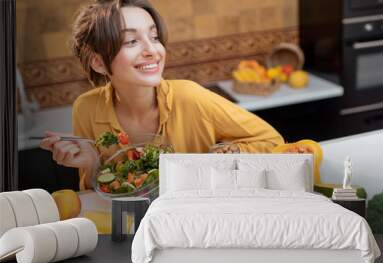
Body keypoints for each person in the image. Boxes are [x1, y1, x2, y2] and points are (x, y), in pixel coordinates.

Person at [40, 0, 284, 191]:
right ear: (98, 63)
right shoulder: (86, 108)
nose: (153, 50)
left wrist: (219, 158)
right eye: (132, 41)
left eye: (154, 37)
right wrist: (91, 165)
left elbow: (273, 142)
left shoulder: (190, 98)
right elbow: (96, 192)